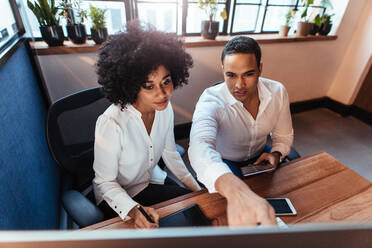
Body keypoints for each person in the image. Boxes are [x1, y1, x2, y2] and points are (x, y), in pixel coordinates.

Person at [93, 22, 201, 229]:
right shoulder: (111, 122)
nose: (162, 94)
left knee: (194, 206)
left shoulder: (164, 109)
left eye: (166, 82)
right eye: (148, 86)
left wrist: (197, 188)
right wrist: (135, 210)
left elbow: (171, 154)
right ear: (131, 84)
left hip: (149, 182)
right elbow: (104, 182)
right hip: (117, 198)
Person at [189, 36, 294, 226]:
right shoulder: (210, 101)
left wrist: (277, 153)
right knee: (230, 217)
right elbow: (199, 146)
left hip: (261, 157)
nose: (239, 85)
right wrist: (235, 189)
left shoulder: (278, 91)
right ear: (222, 71)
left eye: (248, 74)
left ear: (260, 69)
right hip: (225, 164)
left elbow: (283, 136)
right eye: (231, 75)